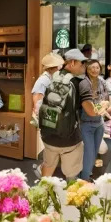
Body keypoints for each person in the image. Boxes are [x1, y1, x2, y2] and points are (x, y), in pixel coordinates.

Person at [38, 49, 86, 181]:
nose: (84, 67)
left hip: (49, 135)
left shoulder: (54, 77)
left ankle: (41, 197)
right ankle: (70, 200)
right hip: (70, 140)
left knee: (46, 175)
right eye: (82, 63)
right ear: (72, 63)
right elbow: (87, 109)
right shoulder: (78, 83)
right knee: (71, 176)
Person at [31, 52, 65, 177]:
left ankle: (45, 171)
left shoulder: (51, 79)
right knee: (51, 149)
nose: (60, 69)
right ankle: (43, 171)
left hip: (52, 118)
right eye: (58, 66)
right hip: (48, 119)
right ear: (52, 68)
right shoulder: (43, 80)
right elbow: (38, 101)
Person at [78, 59, 108, 181]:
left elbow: (106, 99)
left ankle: (86, 177)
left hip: (99, 123)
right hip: (86, 124)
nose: (95, 70)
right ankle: (83, 180)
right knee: (89, 154)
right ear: (87, 69)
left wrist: (104, 105)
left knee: (94, 153)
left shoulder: (102, 82)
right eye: (92, 68)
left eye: (97, 67)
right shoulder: (84, 83)